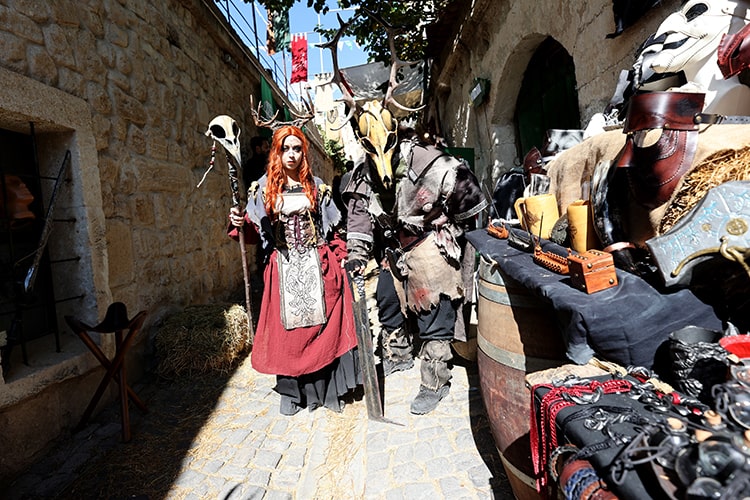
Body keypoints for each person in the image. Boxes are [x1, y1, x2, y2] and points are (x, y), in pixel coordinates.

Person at [343, 125, 486, 415]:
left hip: (429, 243)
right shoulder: (361, 174)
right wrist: (357, 255)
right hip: (395, 248)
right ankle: (399, 354)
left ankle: (435, 381)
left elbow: (468, 199)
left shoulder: (429, 161)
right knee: (386, 298)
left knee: (432, 308)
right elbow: (359, 220)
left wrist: (452, 228)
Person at [229, 125, 360, 415]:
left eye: (297, 148)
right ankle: (294, 394)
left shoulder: (317, 186)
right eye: (285, 148)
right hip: (283, 268)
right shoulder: (262, 188)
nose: (291, 154)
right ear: (276, 152)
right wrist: (239, 220)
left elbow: (334, 228)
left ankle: (326, 391)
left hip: (317, 266)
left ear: (304, 152)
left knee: (322, 328)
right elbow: (252, 231)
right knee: (289, 335)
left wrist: (342, 259)